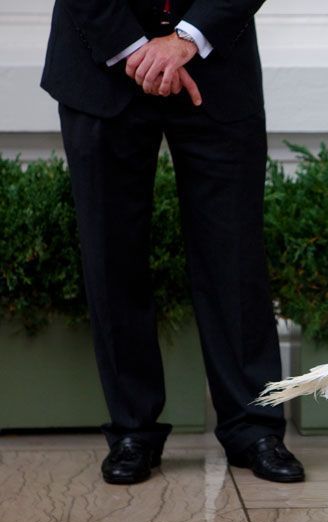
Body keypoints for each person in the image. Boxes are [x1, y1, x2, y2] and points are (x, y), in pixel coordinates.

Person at [41, 0, 304, 485]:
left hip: (217, 65)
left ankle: (254, 428)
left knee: (236, 257)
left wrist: (187, 38)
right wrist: (134, 49)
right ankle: (131, 430)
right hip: (99, 64)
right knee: (111, 257)